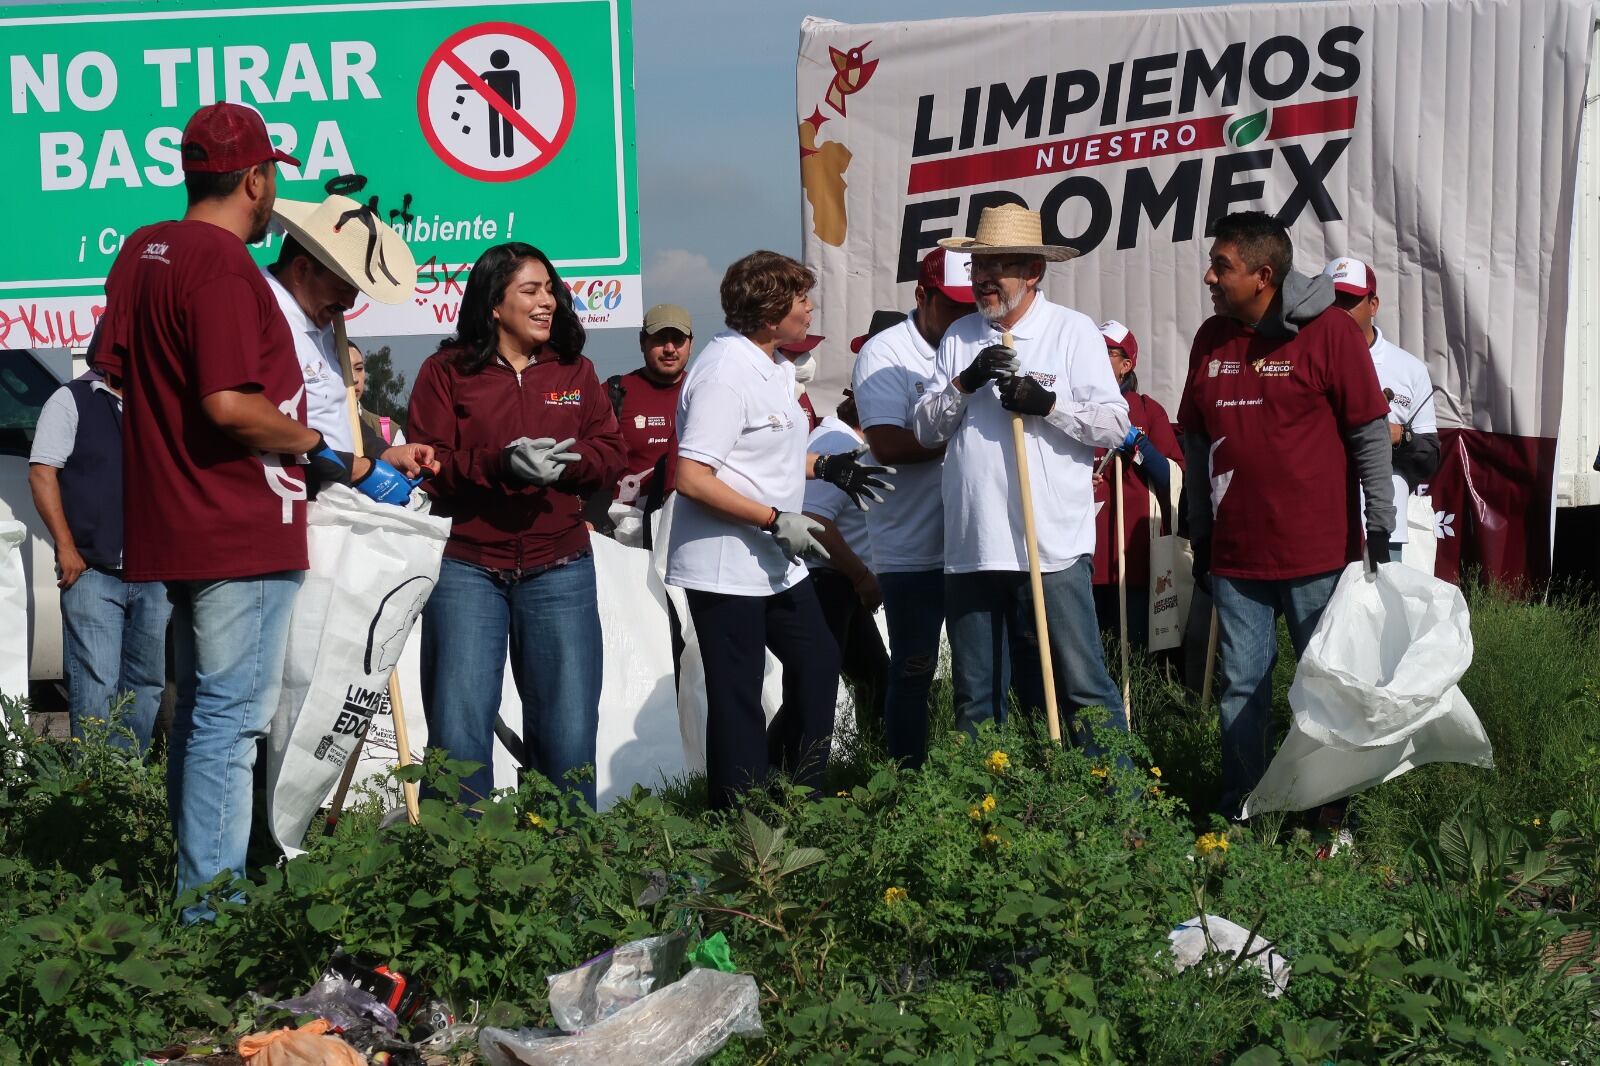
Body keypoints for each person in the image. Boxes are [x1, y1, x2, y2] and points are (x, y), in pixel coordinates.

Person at [94, 103, 432, 920]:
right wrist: (318, 442)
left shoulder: (143, 250)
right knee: (232, 718)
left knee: (203, 710)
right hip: (237, 521)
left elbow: (116, 370)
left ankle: (193, 884)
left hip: (173, 514)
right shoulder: (220, 266)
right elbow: (227, 405)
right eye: (272, 170)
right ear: (256, 178)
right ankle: (210, 908)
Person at [1179, 212, 1395, 819]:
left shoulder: (1330, 333)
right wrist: (1201, 529)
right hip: (1238, 559)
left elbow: (1369, 432)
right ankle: (1246, 810)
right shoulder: (1210, 340)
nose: (1210, 277)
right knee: (1240, 689)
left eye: (1222, 266)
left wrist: (1379, 522)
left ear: (1263, 275)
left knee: (1327, 691)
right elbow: (1196, 443)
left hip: (1317, 558)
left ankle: (1330, 814)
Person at [664, 250, 890, 808]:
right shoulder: (724, 373)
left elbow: (760, 457)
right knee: (737, 692)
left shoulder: (773, 368)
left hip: (774, 561)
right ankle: (738, 821)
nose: (810, 309)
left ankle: (795, 790)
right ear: (769, 312)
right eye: (801, 300)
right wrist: (772, 518)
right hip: (724, 562)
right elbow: (691, 476)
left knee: (817, 660)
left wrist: (826, 466)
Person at [407, 242, 627, 809]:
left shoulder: (577, 369)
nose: (546, 301)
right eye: (529, 291)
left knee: (569, 725)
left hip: (562, 565)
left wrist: (573, 460)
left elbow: (611, 451)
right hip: (466, 567)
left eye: (549, 289)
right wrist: (498, 463)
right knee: (458, 728)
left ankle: (568, 864)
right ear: (493, 305)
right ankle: (461, 869)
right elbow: (427, 464)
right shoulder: (446, 372)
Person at [911, 204, 1132, 749]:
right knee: (975, 697)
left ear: (1033, 272)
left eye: (999, 266)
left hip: (1049, 543)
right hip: (974, 544)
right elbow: (923, 429)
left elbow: (1115, 426)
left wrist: (1048, 403)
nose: (983, 278)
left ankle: (1123, 813)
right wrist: (963, 384)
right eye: (978, 265)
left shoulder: (1072, 332)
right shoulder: (960, 336)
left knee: (1081, 685)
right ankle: (987, 818)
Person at [849, 247, 974, 765]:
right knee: (915, 667)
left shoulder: (971, 341)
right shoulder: (884, 353)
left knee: (980, 670)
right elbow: (887, 445)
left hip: (970, 540)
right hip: (910, 546)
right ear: (922, 296)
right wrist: (967, 441)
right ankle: (906, 781)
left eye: (972, 304)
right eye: (952, 304)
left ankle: (985, 780)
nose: (964, 315)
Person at [28, 356, 171, 753]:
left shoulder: (162, 404)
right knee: (96, 683)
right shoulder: (71, 399)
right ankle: (95, 785)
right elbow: (42, 473)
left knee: (146, 683)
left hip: (154, 572)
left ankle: (127, 782)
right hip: (92, 570)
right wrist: (66, 547)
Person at [1322, 256, 1441, 552]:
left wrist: (1399, 436)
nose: (1339, 311)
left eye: (1348, 300)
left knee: (1377, 599)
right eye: (1330, 300)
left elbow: (1429, 457)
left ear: (1373, 305)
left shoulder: (1409, 369)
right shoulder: (1300, 359)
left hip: (1384, 529)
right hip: (1316, 524)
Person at [801, 388, 889, 748]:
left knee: (875, 678)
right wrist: (862, 577)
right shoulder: (840, 444)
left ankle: (874, 766)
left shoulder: (844, 439)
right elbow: (813, 520)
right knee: (814, 690)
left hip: (838, 582)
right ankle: (791, 776)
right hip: (825, 581)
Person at [1089, 321, 1185, 649]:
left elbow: (1174, 478)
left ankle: (1144, 702)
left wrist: (1137, 443)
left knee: (1137, 651)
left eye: (1104, 353)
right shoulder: (1072, 407)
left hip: (1134, 558)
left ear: (1126, 364)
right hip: (1083, 554)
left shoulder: (1147, 410)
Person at [595, 303, 693, 545]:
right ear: (642, 341)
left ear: (690, 343)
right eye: (660, 339)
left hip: (685, 529)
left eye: (678, 340)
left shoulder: (706, 390)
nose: (670, 349)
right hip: (623, 534)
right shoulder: (614, 391)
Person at [350, 342, 406, 446]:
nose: (354, 379)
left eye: (359, 369)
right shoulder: (312, 430)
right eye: (343, 370)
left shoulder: (389, 431)